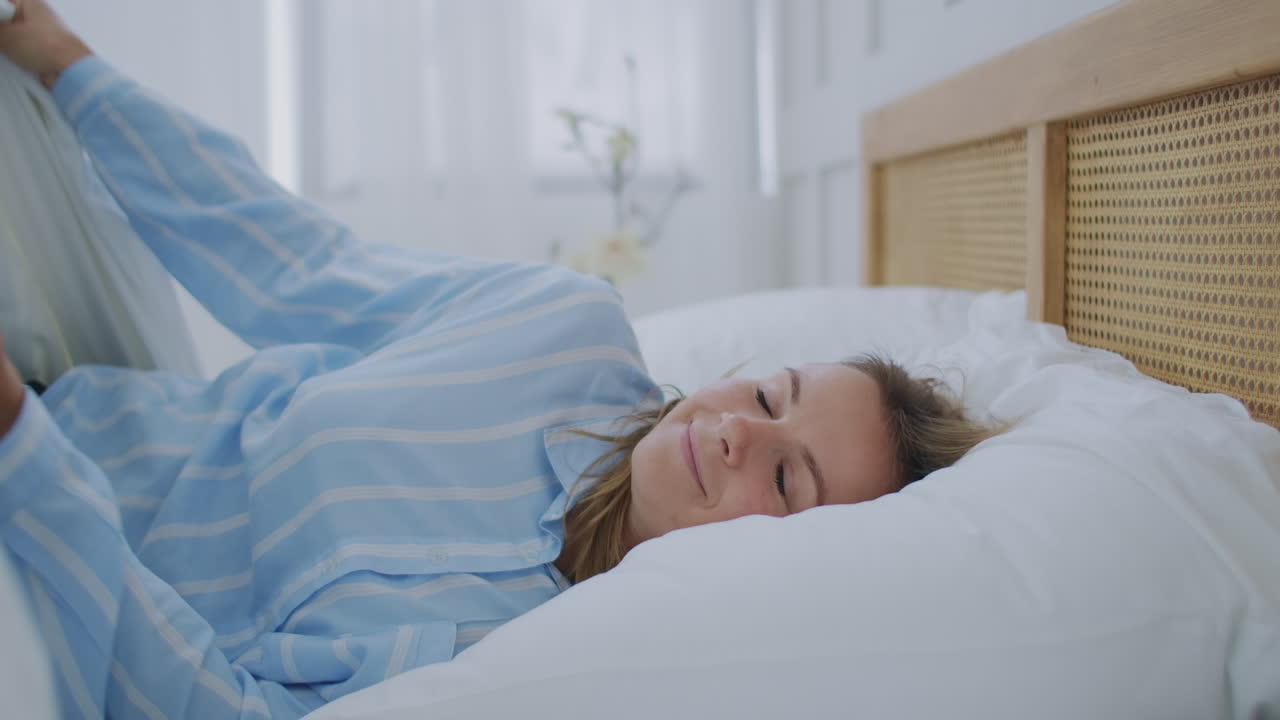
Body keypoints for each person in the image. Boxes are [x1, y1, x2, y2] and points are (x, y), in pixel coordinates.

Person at [0, 1, 1002, 717]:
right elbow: (299, 261)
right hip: (67, 409)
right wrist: (73, 68)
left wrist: (28, 467)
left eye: (787, 479)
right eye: (767, 392)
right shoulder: (558, 326)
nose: (737, 427)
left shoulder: (522, 672)